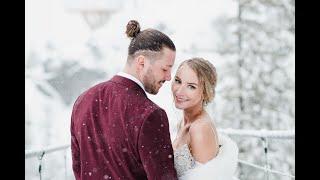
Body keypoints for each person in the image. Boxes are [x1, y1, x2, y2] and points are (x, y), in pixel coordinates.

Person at [70, 20, 178, 180]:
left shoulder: (83, 100)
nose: (169, 77)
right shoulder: (151, 115)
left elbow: (78, 168)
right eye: (165, 69)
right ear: (141, 62)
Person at [171, 58, 238, 180]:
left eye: (191, 86)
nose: (179, 91)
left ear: (205, 92)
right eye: (178, 81)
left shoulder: (199, 128)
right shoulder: (184, 122)